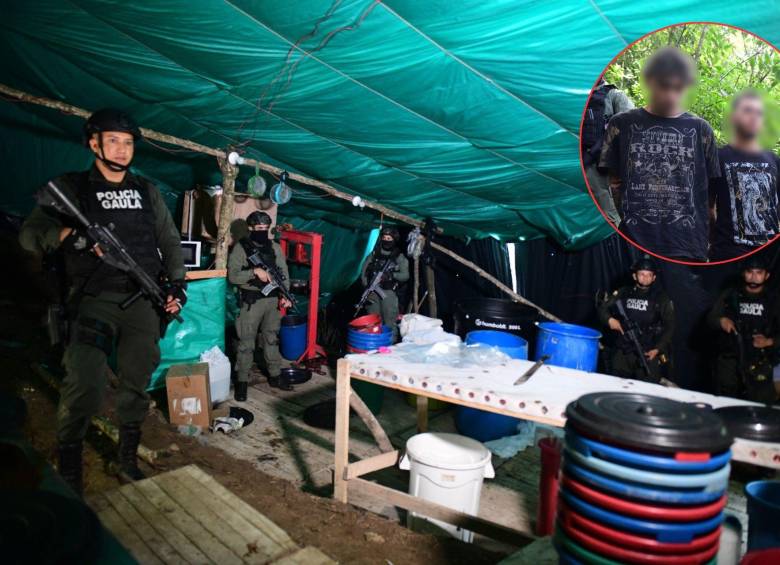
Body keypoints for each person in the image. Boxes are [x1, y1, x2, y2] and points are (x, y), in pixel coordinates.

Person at [18, 108, 186, 494]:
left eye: (128, 143)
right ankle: (71, 472)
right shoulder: (71, 188)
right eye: (113, 140)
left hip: (141, 301)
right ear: (93, 143)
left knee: (137, 380)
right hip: (92, 299)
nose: (122, 149)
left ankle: (125, 460)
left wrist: (176, 286)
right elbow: (30, 235)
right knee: (85, 382)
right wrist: (70, 238)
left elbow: (169, 241)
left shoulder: (147, 191)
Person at [599, 47, 720, 262]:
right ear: (650, 82)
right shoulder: (622, 125)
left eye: (678, 87)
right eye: (665, 86)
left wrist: (710, 241)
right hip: (634, 244)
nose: (671, 94)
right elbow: (613, 184)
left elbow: (710, 197)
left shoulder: (702, 129)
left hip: (688, 245)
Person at [709, 90, 780, 261]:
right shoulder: (719, 157)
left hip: (768, 258)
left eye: (759, 113)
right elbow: (708, 208)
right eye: (747, 110)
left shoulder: (774, 160)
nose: (754, 116)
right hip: (727, 255)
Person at [228, 211, 291, 400]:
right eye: (258, 229)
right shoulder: (241, 248)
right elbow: (232, 276)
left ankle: (275, 375)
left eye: (265, 228)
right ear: (250, 228)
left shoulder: (275, 247)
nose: (262, 232)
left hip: (272, 301)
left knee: (271, 338)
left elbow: (283, 273)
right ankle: (241, 382)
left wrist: (285, 294)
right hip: (251, 302)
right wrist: (254, 272)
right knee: (246, 343)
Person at [708, 255, 779, 402]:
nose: (753, 277)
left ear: (767, 275)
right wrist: (721, 321)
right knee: (725, 402)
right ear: (743, 273)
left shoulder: (774, 300)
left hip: (761, 360)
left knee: (760, 405)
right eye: (750, 272)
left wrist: (769, 341)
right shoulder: (731, 295)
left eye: (759, 273)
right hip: (730, 359)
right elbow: (710, 319)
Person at [598, 256, 675, 383]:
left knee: (649, 389)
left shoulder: (661, 298)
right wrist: (610, 320)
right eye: (641, 274)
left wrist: (658, 349)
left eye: (649, 275)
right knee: (615, 386)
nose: (645, 278)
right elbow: (602, 309)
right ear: (635, 276)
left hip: (648, 352)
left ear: (654, 277)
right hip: (623, 351)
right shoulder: (623, 292)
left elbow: (670, 326)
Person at [581, 79, 635, 225]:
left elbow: (632, 128)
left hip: (604, 165)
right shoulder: (578, 96)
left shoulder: (614, 95)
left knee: (612, 215)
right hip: (587, 164)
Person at [360, 227, 409, 340]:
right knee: (373, 320)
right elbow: (364, 270)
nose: (386, 240)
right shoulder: (374, 254)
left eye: (389, 238)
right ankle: (375, 344)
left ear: (394, 240)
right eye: (384, 238)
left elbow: (405, 275)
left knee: (389, 320)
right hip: (372, 292)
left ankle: (390, 347)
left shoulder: (399, 256)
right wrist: (366, 285)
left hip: (388, 293)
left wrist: (392, 276)